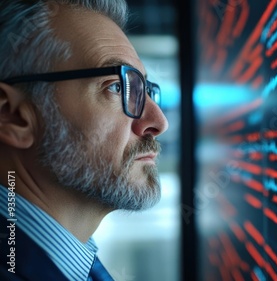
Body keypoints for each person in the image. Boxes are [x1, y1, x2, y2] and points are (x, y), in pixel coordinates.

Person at [0, 1, 169, 280]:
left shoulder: (74, 263)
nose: (159, 122)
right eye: (117, 87)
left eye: (145, 90)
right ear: (12, 116)